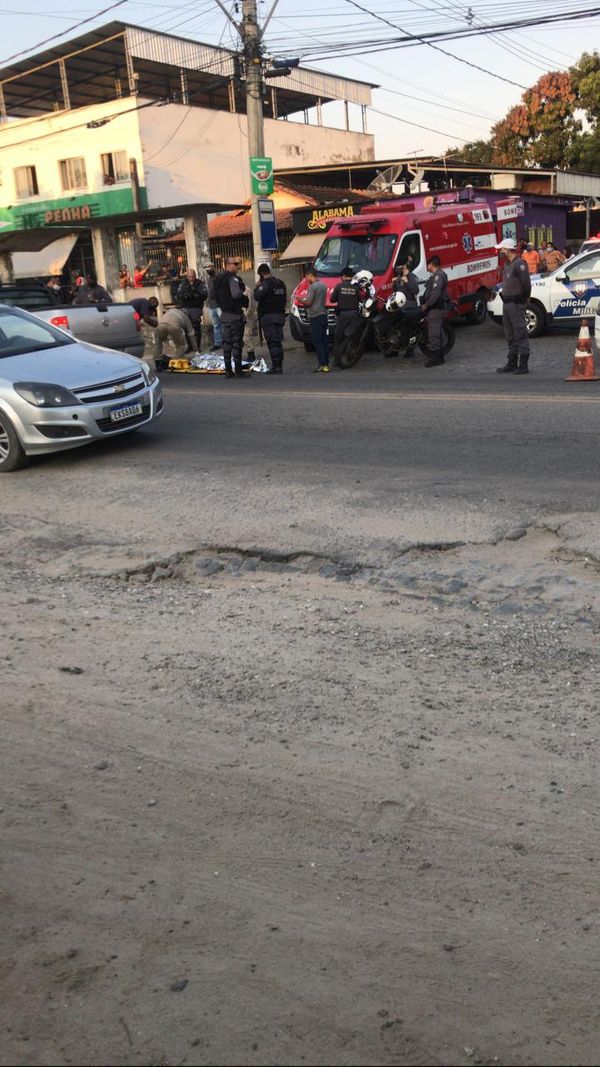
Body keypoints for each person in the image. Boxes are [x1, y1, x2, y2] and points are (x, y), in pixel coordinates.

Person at [495, 237, 531, 376]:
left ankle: (523, 364)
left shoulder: (519, 264)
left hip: (516, 303)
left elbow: (526, 284)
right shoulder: (507, 264)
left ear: (507, 249)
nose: (501, 251)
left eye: (502, 249)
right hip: (507, 303)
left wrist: (524, 298)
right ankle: (512, 362)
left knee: (520, 332)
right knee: (509, 334)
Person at [213, 257, 249, 378]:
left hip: (224, 316)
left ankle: (228, 370)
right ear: (228, 265)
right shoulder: (232, 278)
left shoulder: (218, 278)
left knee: (226, 344)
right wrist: (243, 295)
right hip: (235, 316)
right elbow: (236, 294)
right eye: (236, 264)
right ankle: (238, 370)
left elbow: (212, 295)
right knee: (237, 343)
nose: (238, 266)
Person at [253, 263, 287, 374]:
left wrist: (258, 286)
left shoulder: (266, 284)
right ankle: (279, 366)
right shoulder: (281, 283)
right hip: (279, 316)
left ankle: (276, 367)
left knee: (273, 342)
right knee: (278, 342)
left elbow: (256, 296)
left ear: (262, 274)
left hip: (269, 317)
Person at [298, 266, 330, 372]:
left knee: (318, 341)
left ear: (310, 276)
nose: (307, 280)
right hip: (323, 315)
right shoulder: (323, 286)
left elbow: (308, 302)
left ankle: (321, 364)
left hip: (315, 316)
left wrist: (300, 299)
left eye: (307, 277)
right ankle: (326, 364)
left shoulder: (313, 287)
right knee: (324, 340)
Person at [420, 255, 450, 367]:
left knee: (434, 333)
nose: (427, 266)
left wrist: (426, 305)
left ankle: (436, 358)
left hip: (436, 308)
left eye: (428, 264)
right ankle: (440, 355)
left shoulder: (439, 275)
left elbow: (435, 294)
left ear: (431, 264)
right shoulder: (436, 275)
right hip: (434, 307)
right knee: (438, 332)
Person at [330, 266, 361, 357]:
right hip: (354, 314)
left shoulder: (339, 286)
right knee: (353, 335)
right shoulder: (356, 287)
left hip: (342, 315)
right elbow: (361, 299)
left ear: (343, 276)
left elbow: (332, 300)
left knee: (339, 336)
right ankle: (351, 354)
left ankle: (337, 358)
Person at [178, 268, 208, 351]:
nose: (191, 278)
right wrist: (185, 296)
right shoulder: (184, 283)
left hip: (196, 308)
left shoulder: (199, 283)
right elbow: (179, 294)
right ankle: (189, 346)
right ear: (187, 276)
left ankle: (197, 347)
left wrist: (195, 295)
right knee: (186, 328)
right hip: (186, 308)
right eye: (189, 277)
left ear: (195, 276)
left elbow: (204, 294)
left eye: (193, 276)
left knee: (196, 328)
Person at [205, 262, 222, 351]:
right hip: (212, 305)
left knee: (225, 324)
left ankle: (227, 341)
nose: (208, 271)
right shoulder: (209, 278)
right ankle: (218, 343)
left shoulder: (219, 276)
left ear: (213, 267)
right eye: (207, 270)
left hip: (219, 305)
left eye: (209, 269)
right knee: (216, 325)